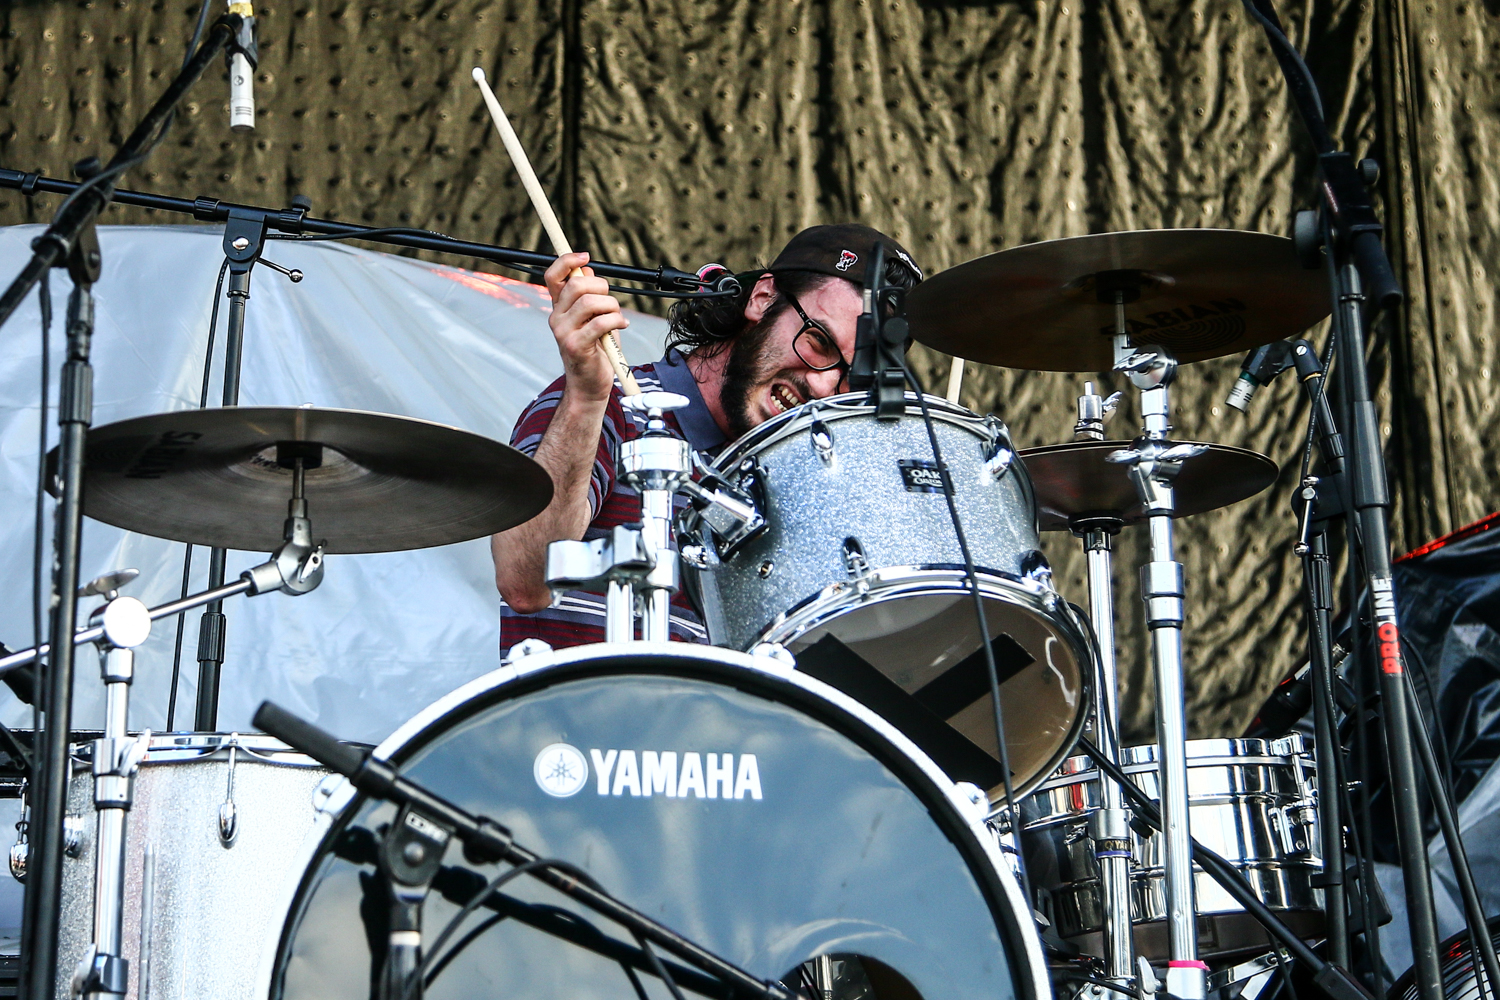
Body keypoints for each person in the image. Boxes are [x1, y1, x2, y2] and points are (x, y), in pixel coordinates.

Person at [491, 224, 922, 652]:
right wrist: (586, 396)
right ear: (762, 298)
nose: (823, 384)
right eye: (819, 342)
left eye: (851, 377)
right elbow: (524, 582)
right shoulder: (609, 407)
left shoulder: (811, 485)